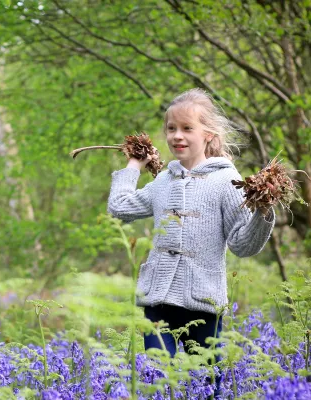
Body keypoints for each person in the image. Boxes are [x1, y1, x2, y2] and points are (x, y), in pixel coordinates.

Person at [108, 88, 275, 356]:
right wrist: (133, 167)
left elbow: (243, 246)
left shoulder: (226, 181)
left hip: (203, 302)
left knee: (208, 381)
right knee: (158, 380)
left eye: (187, 128)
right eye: (171, 128)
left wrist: (262, 212)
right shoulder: (163, 181)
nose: (177, 135)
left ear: (208, 134)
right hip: (158, 299)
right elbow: (119, 208)